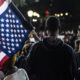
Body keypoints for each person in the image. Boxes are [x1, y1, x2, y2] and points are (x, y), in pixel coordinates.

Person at [25, 16, 78, 80]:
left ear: (46, 28)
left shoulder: (35, 48)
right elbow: (74, 74)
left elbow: (28, 70)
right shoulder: (69, 50)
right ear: (59, 28)